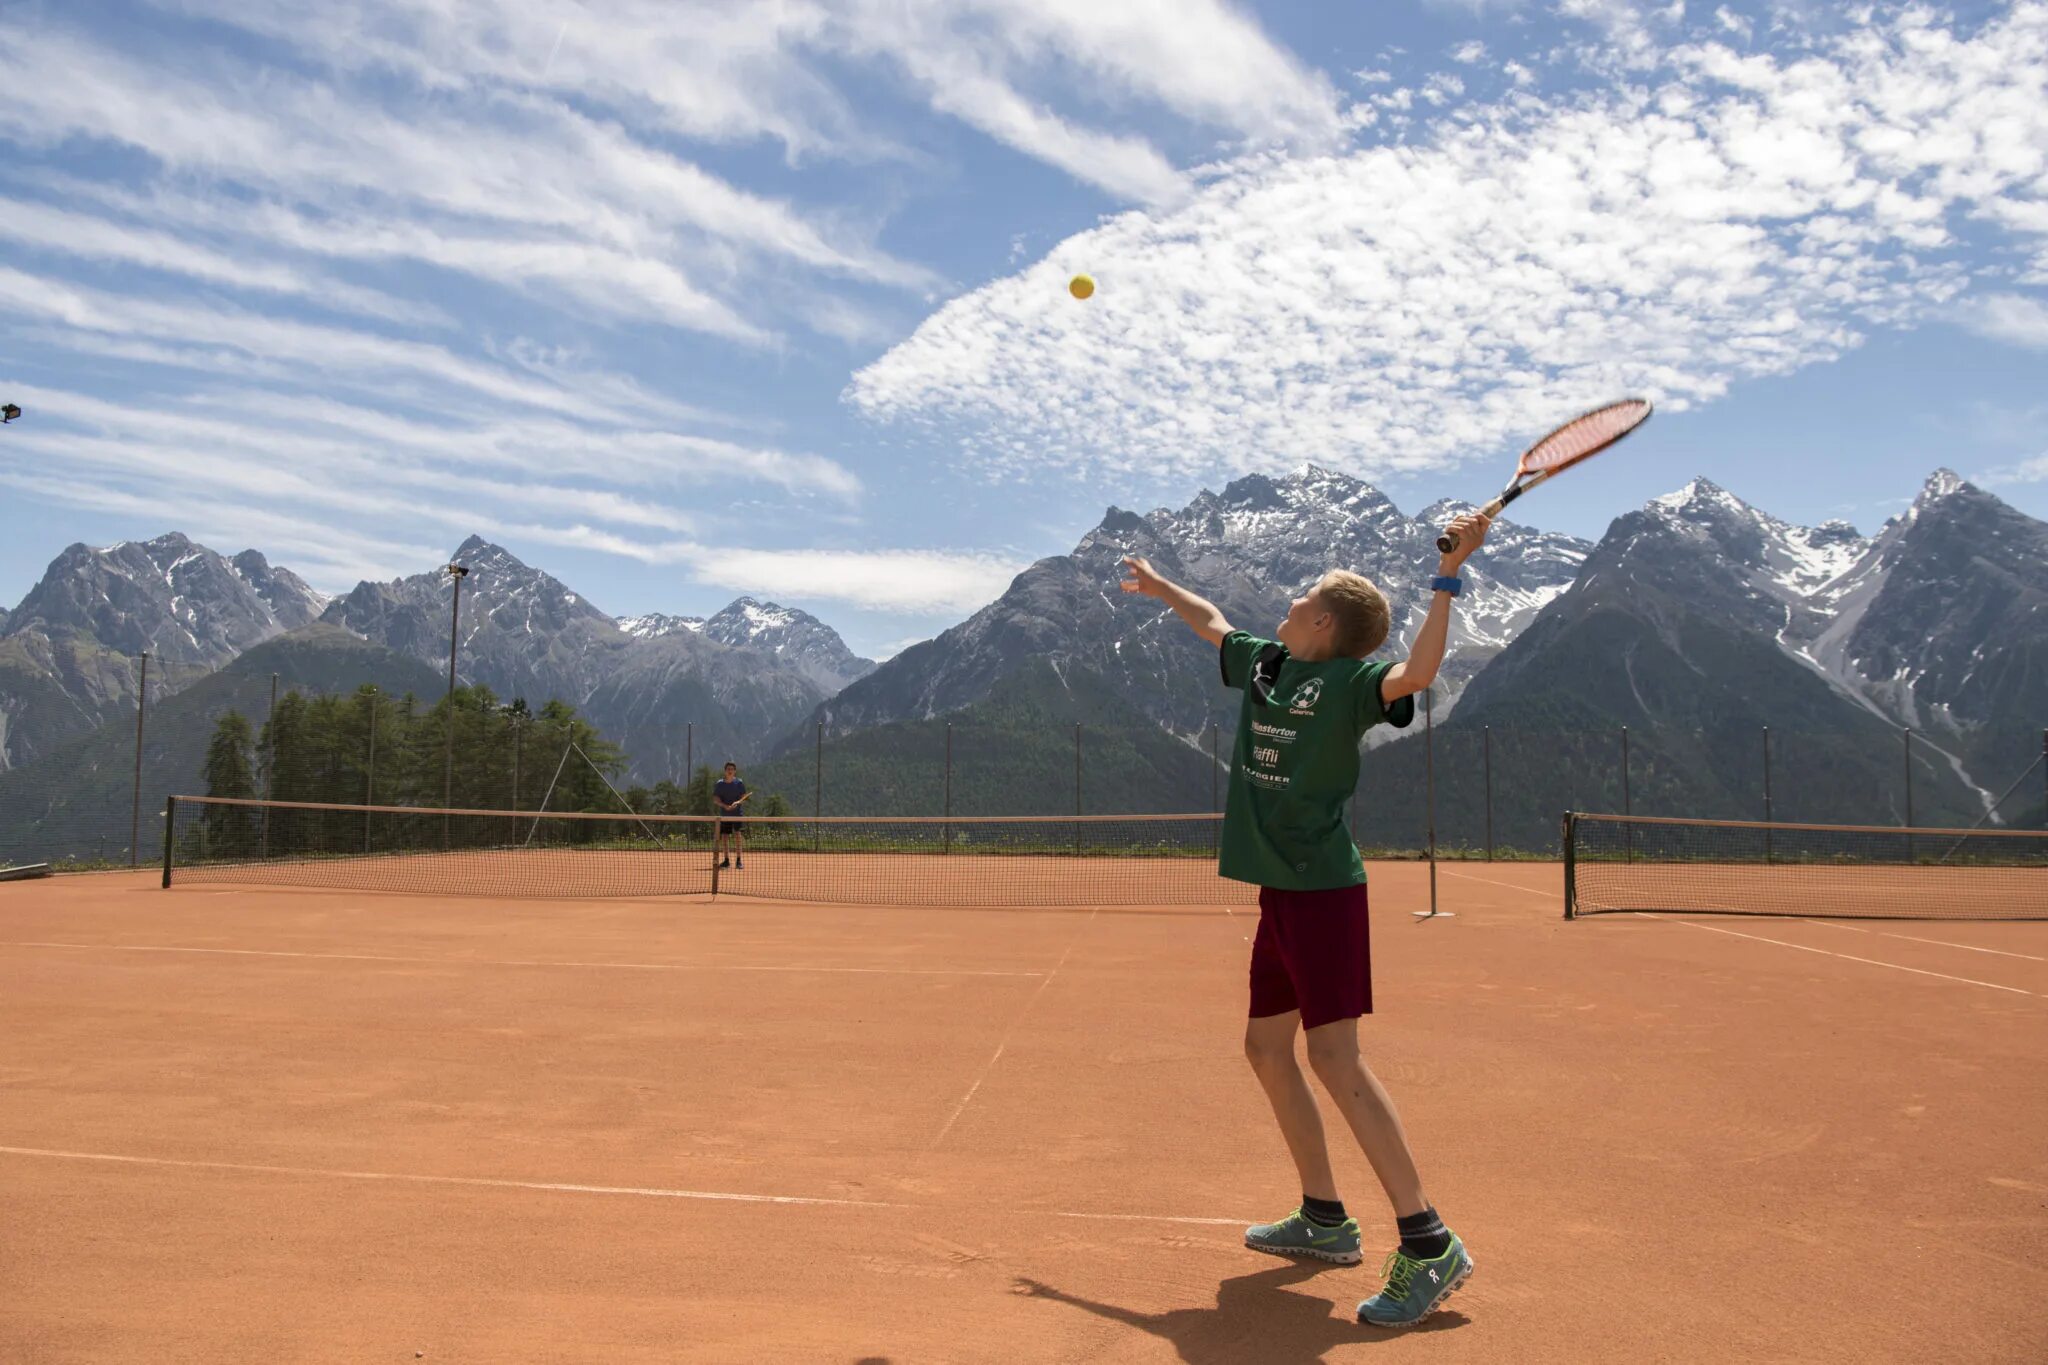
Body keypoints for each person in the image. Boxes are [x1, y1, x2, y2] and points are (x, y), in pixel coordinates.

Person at [1118, 509, 1490, 1329]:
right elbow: (1210, 621)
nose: (1284, 603)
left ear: (1324, 620)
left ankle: (1429, 1241)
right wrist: (1158, 588)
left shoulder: (1355, 685)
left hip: (1323, 893)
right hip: (1277, 895)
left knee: (1335, 1058)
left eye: (1301, 597)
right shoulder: (1266, 663)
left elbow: (1418, 674)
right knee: (1263, 1047)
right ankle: (1325, 1218)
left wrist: (1448, 577)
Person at [713, 761, 749, 869]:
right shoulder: (719, 784)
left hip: (737, 814)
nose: (730, 771)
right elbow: (716, 799)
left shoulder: (739, 783)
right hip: (725, 815)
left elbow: (744, 797)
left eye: (732, 769)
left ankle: (739, 861)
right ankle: (726, 860)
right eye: (728, 769)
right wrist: (724, 806)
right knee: (724, 837)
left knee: (738, 836)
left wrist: (737, 803)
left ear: (735, 771)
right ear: (725, 771)